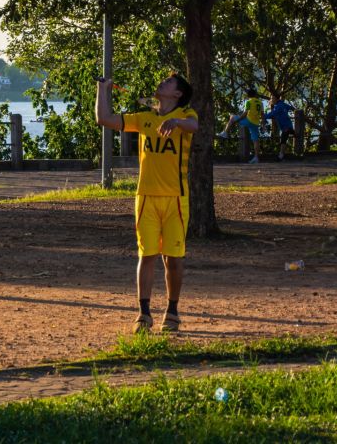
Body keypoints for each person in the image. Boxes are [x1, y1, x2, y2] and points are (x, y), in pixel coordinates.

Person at [96, 73, 198, 334]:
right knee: (147, 255)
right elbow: (104, 119)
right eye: (162, 80)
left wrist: (175, 121)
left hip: (176, 198)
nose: (161, 83)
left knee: (173, 259)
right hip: (146, 198)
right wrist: (102, 90)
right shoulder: (144, 118)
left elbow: (193, 127)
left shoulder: (188, 115)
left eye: (168, 82)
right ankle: (144, 313)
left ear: (177, 94)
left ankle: (172, 312)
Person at [217, 87, 267, 163]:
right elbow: (263, 115)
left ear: (248, 95)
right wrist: (263, 125)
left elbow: (245, 114)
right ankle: (256, 157)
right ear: (255, 95)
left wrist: (237, 120)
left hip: (248, 121)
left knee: (232, 117)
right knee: (255, 140)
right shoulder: (260, 103)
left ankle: (225, 132)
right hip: (256, 123)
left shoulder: (249, 102)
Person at [265, 95, 295, 161]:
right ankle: (283, 155)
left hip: (285, 126)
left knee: (283, 140)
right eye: (271, 98)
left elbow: (271, 114)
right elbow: (291, 108)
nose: (271, 100)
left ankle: (281, 156)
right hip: (289, 125)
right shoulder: (282, 104)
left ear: (276, 99)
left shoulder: (278, 107)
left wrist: (263, 115)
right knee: (285, 138)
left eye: (272, 98)